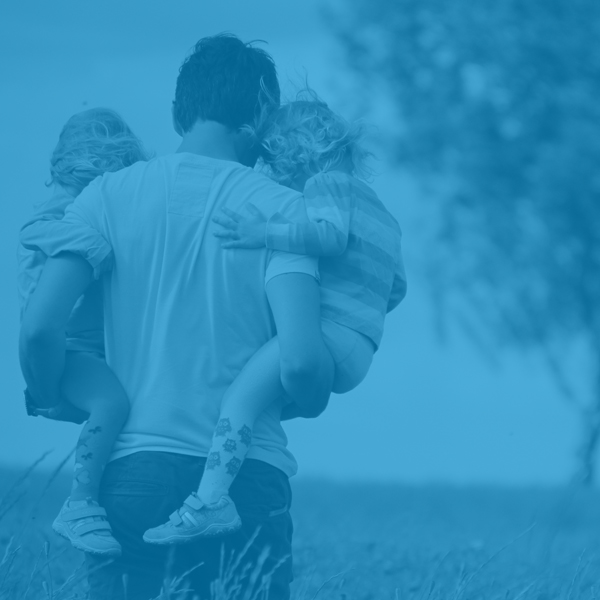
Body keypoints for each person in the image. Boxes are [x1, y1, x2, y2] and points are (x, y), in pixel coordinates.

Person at [19, 34, 332, 600]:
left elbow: (40, 325)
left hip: (133, 473)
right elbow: (304, 364)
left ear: (177, 111)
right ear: (262, 110)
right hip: (246, 479)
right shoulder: (285, 211)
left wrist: (48, 394)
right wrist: (312, 397)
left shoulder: (103, 199)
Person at [143, 92, 408, 544]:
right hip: (361, 349)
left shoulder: (328, 185)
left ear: (301, 153)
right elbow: (397, 288)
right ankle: (224, 475)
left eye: (279, 164)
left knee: (237, 401)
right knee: (256, 408)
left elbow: (328, 236)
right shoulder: (385, 215)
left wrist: (259, 232)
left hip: (327, 333)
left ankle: (210, 503)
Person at [18, 108, 150, 557]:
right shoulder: (65, 206)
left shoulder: (83, 204)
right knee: (111, 403)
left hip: (89, 346)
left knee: (117, 408)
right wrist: (93, 246)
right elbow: (34, 231)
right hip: (71, 348)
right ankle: (80, 502)